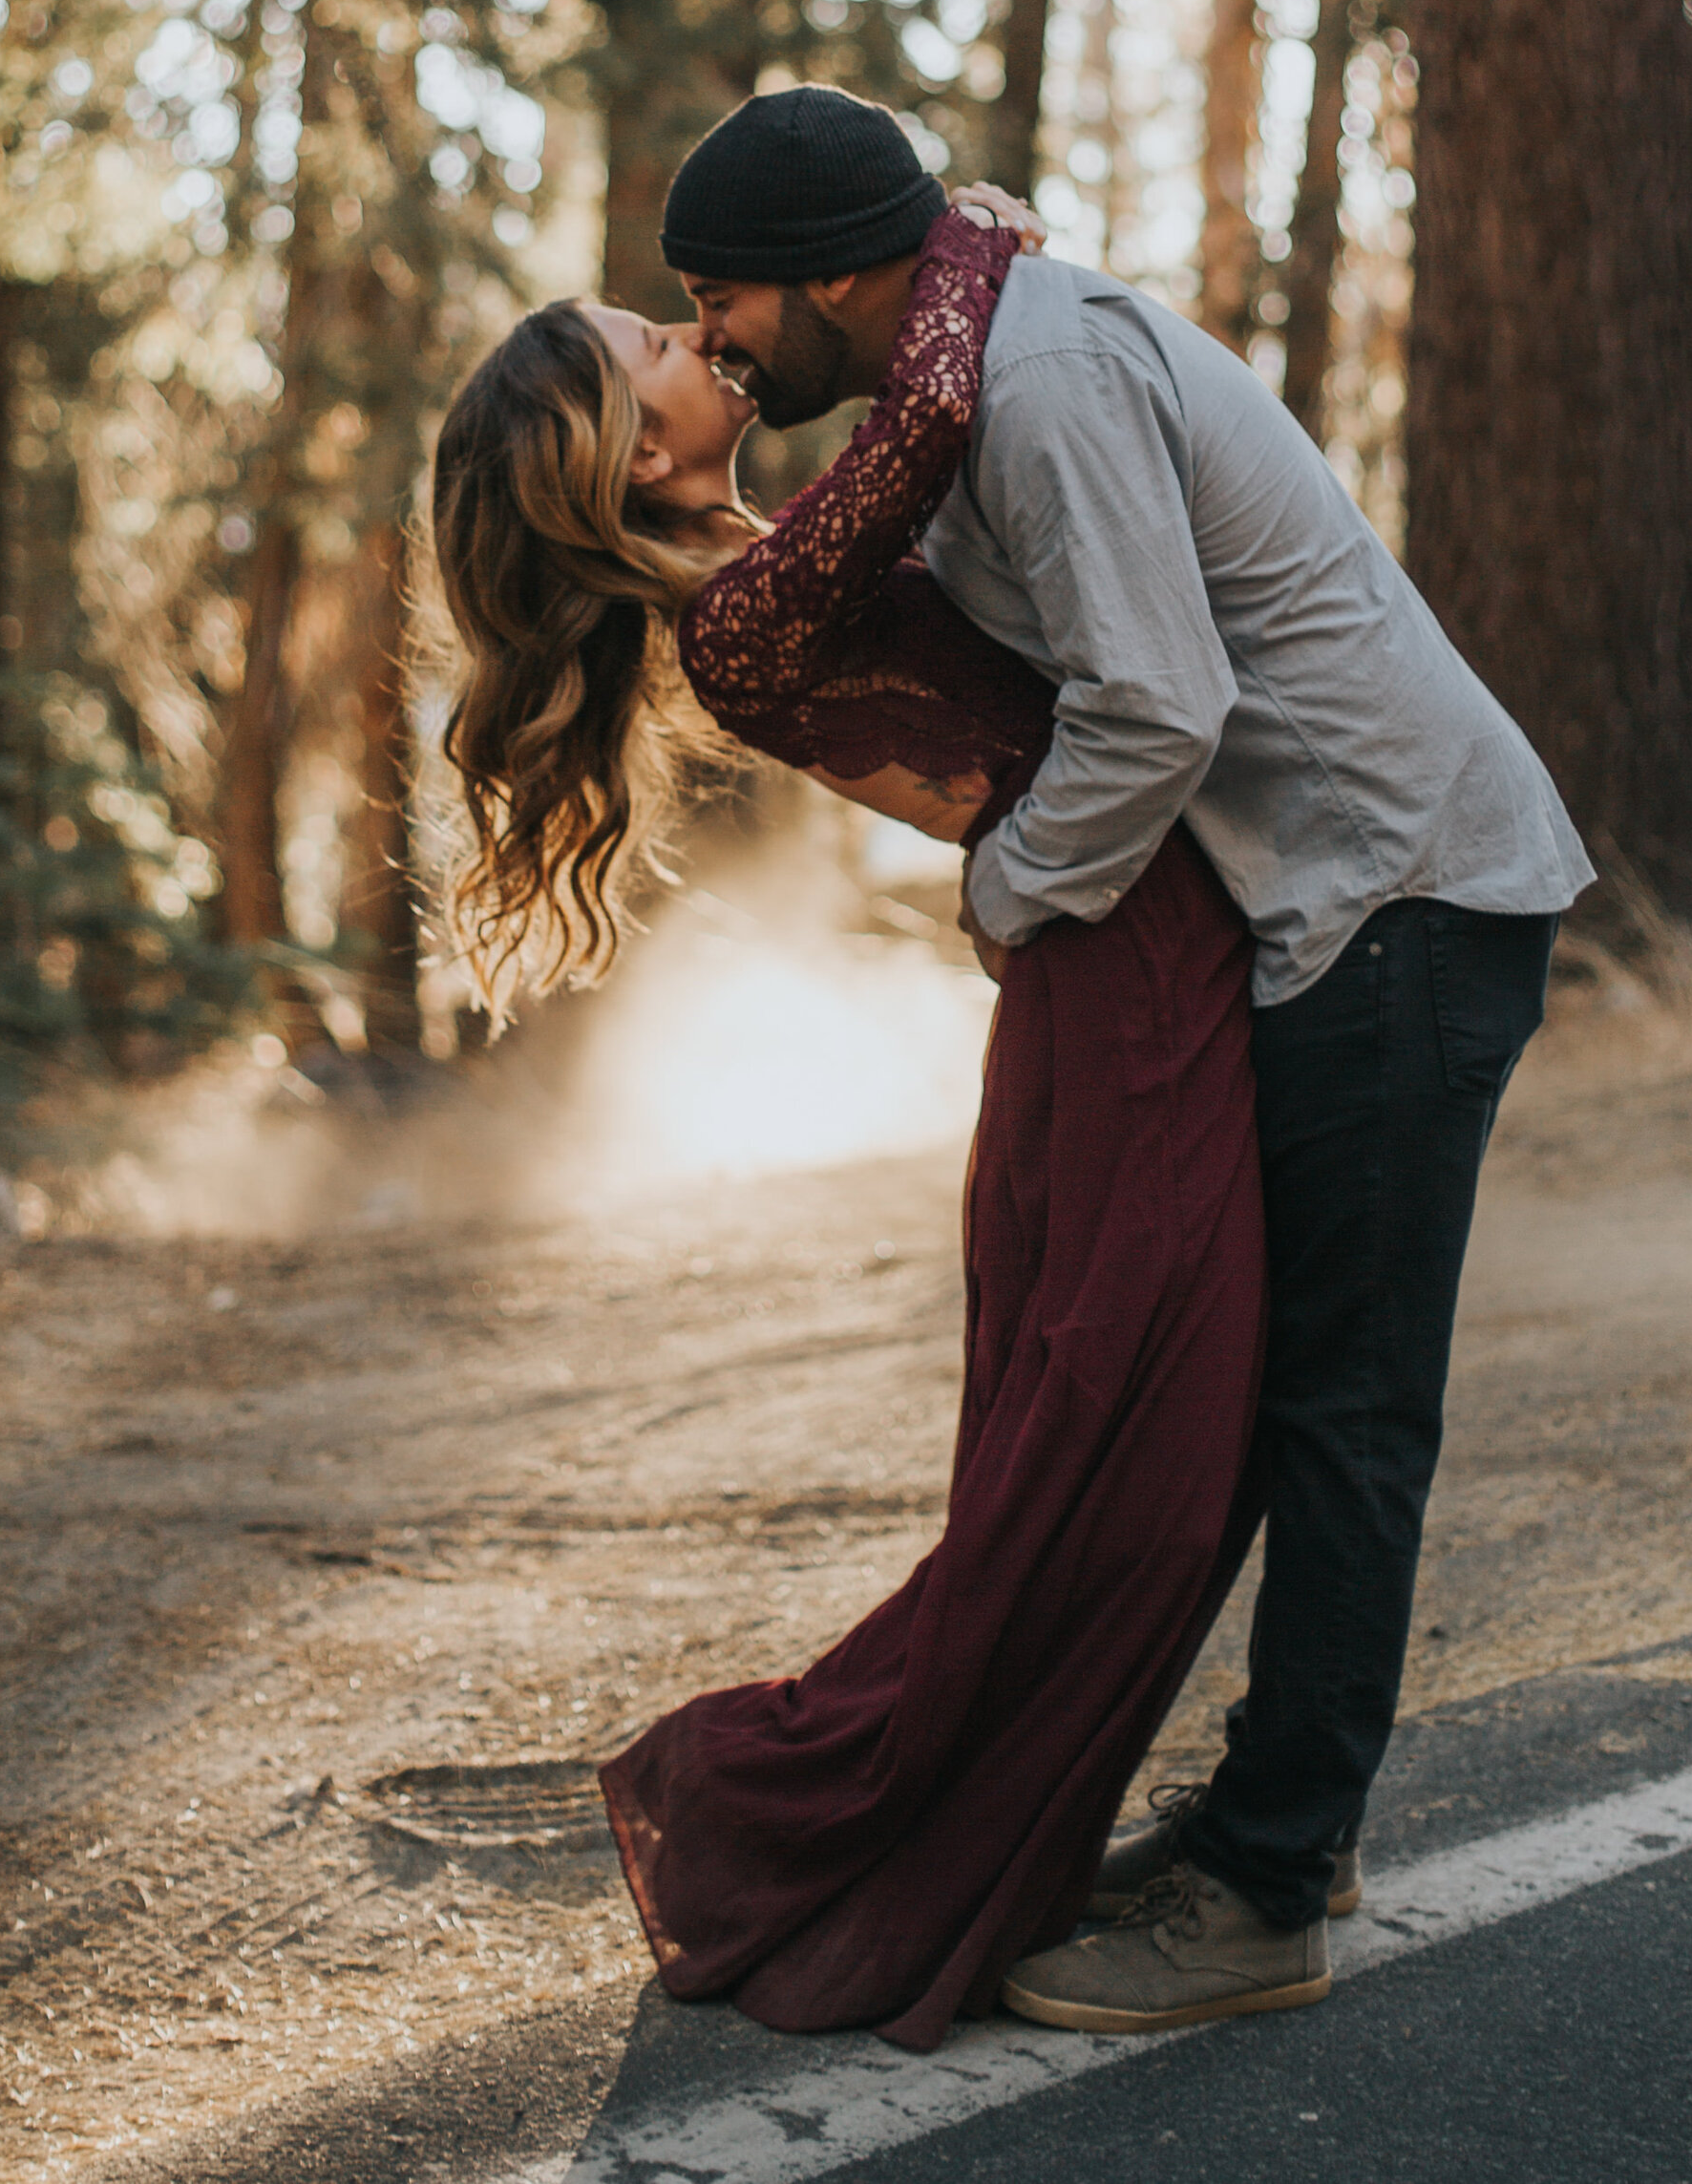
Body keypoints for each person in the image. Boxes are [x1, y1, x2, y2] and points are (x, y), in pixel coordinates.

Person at [666, 84, 1596, 2035]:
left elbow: (1152, 706)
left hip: (1392, 891)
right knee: (1267, 1391)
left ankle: (1266, 1889)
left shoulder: (1033, 385)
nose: (715, 343)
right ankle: (1279, 1815)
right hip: (1335, 904)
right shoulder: (971, 360)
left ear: (835, 266)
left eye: (719, 298)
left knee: (1338, 1407)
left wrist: (1009, 892)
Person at [429, 177, 1267, 2053]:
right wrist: (951, 220)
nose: (700, 335)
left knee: (1140, 1447)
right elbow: (935, 403)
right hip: (1110, 975)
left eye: (689, 315)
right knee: (1129, 1462)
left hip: (1128, 944)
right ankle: (801, 1811)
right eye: (661, 346)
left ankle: (1001, 1817)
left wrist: (949, 235)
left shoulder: (765, 552)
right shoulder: (742, 615)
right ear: (631, 458)